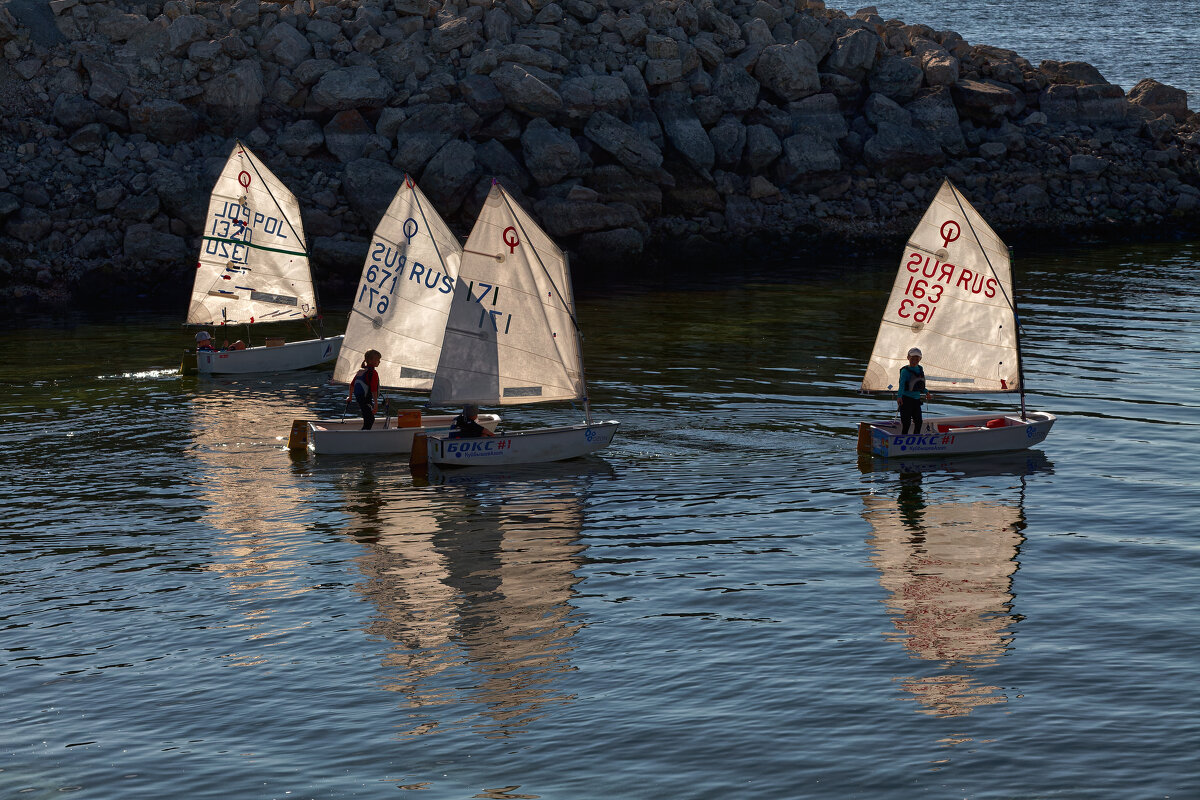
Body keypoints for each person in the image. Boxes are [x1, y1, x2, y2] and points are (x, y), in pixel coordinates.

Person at [896, 347, 932, 434]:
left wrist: (926, 392)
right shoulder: (905, 371)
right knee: (906, 423)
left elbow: (920, 384)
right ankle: (903, 439)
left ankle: (916, 439)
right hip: (905, 399)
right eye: (912, 358)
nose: (914, 360)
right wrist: (899, 397)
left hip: (916, 400)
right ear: (908, 357)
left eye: (917, 358)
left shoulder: (920, 369)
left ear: (920, 359)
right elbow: (902, 385)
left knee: (919, 422)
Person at [349, 349, 381, 430]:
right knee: (370, 419)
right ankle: (363, 436)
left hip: (360, 398)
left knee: (368, 417)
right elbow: (374, 390)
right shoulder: (373, 373)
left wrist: (350, 397)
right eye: (377, 360)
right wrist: (376, 404)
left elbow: (352, 385)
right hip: (366, 399)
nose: (379, 362)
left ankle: (364, 434)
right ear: (370, 361)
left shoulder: (361, 371)